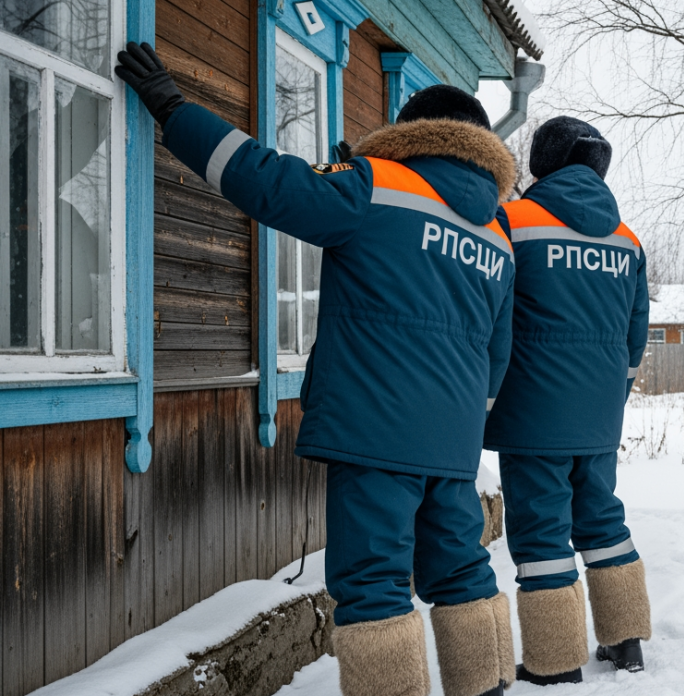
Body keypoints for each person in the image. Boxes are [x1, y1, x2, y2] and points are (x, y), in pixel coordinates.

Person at [116, 43, 517, 696]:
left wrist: (174, 108)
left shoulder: (377, 185)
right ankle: (487, 687)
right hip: (453, 440)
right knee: (461, 570)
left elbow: (268, 181)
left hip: (375, 427)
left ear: (410, 135)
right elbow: (498, 351)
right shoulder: (496, 230)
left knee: (374, 582)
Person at [483, 116, 651, 685]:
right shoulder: (626, 239)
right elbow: (635, 340)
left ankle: (554, 662)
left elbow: (494, 314)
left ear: (542, 163)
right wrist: (610, 399)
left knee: (540, 531)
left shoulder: (514, 220)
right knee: (602, 519)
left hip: (532, 411)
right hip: (600, 413)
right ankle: (626, 641)